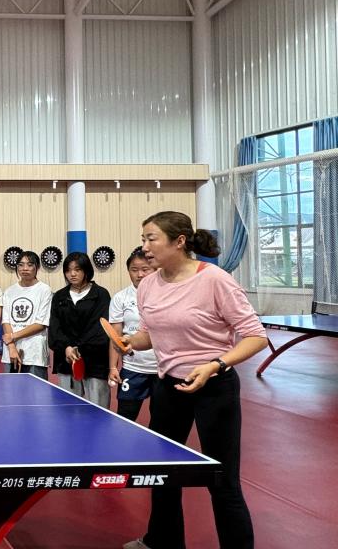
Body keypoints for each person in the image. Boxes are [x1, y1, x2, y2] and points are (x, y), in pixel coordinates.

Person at [122, 211, 266, 549]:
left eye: (151, 239)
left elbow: (255, 336)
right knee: (163, 473)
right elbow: (149, 334)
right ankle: (162, 540)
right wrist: (129, 342)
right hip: (169, 387)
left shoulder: (215, 279)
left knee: (222, 479)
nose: (145, 247)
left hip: (214, 386)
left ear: (179, 241)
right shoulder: (148, 285)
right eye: (143, 239)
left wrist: (215, 364)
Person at [49, 252, 112, 407]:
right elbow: (55, 328)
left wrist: (78, 348)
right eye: (68, 270)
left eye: (77, 269)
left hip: (94, 361)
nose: (72, 274)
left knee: (97, 410)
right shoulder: (59, 296)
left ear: (86, 270)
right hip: (66, 360)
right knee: (68, 410)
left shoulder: (100, 294)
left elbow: (100, 328)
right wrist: (67, 347)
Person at [107, 249, 157, 422]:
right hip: (133, 368)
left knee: (161, 421)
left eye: (145, 269)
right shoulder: (120, 297)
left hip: (162, 369)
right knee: (125, 417)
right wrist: (113, 367)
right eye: (134, 270)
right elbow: (115, 336)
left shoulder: (165, 295)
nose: (139, 274)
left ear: (155, 269)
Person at [1, 251, 52, 379]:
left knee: (36, 391)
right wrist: (11, 347)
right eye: (21, 265)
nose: (25, 268)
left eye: (29, 265)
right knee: (10, 390)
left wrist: (12, 336)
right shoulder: (9, 291)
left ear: (37, 267)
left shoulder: (44, 290)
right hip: (11, 352)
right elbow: (6, 321)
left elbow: (41, 324)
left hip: (35, 354)